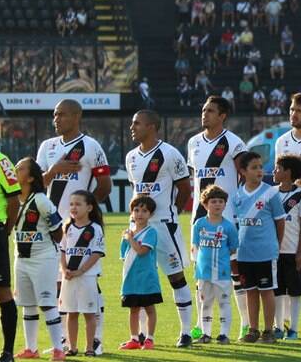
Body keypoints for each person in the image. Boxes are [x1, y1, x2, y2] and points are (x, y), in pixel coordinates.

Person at [36, 99, 111, 354]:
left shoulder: (91, 147)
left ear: (77, 116)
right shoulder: (47, 147)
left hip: (81, 228)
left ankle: (96, 340)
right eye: (55, 115)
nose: (56, 119)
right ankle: (66, 341)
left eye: (62, 115)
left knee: (89, 282)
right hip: (51, 227)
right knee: (60, 284)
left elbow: (104, 184)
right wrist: (54, 170)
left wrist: (87, 213)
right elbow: (37, 185)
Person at [125, 110, 193, 347]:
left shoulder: (169, 154)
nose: (132, 127)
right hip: (138, 228)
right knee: (140, 279)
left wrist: (169, 212)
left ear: (152, 126)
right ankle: (142, 335)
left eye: (137, 123)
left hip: (164, 226)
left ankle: (186, 332)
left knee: (176, 277)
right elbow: (136, 191)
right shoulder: (131, 156)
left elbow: (185, 189)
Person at [186, 96, 247, 339]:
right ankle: (202, 324)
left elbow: (243, 175)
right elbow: (195, 178)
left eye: (210, 111)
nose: (205, 114)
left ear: (222, 115)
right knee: (201, 272)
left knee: (233, 269)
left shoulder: (234, 142)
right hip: (199, 218)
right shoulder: (193, 142)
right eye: (203, 110)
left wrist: (233, 204)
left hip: (227, 217)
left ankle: (243, 323)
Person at [12, 158, 64, 360]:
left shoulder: (41, 200)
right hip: (21, 258)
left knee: (47, 302)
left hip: (43, 258)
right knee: (27, 304)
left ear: (31, 177)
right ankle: (31, 349)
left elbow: (58, 232)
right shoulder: (13, 198)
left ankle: (59, 349)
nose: (16, 170)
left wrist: (44, 245)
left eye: (20, 168)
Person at [235, 152, 286, 344]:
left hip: (266, 252)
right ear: (243, 171)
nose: (259, 171)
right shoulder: (237, 195)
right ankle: (253, 330)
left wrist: (277, 245)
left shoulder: (271, 192)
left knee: (267, 290)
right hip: (244, 253)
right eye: (254, 167)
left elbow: (280, 222)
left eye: (260, 166)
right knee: (250, 291)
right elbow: (235, 224)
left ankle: (268, 331)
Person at [59, 191, 105, 357]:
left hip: (87, 278)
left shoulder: (95, 228)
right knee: (71, 313)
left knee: (89, 313)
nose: (74, 207)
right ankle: (72, 347)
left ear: (89, 207)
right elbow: (62, 251)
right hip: (69, 278)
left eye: (78, 204)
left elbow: (96, 253)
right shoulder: (67, 227)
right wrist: (64, 270)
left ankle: (90, 348)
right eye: (71, 204)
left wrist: (81, 271)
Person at [191, 185, 238, 345]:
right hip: (203, 272)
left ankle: (224, 334)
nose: (217, 204)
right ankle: (206, 334)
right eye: (213, 201)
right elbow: (196, 246)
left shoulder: (228, 227)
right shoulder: (199, 224)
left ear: (225, 204)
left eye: (220, 201)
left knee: (224, 302)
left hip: (222, 272)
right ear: (205, 204)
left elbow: (233, 249)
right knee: (206, 303)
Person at [272, 155, 301, 340]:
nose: (274, 171)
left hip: (292, 251)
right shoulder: (270, 192)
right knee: (276, 291)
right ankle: (277, 327)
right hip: (274, 252)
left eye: (277, 168)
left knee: (294, 291)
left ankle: (293, 329)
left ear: (287, 172)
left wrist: (299, 252)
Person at [118, 195, 162, 350]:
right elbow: (124, 256)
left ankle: (149, 338)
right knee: (133, 309)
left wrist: (130, 239)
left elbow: (142, 251)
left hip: (147, 278)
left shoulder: (151, 232)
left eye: (144, 211)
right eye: (136, 210)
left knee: (150, 308)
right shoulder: (127, 233)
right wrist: (128, 238)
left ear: (150, 214)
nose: (140, 214)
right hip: (131, 278)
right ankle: (134, 339)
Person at [0, 149, 19, 362]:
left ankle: (7, 352)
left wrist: (5, 231)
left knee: (2, 291)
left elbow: (14, 200)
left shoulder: (2, 161)